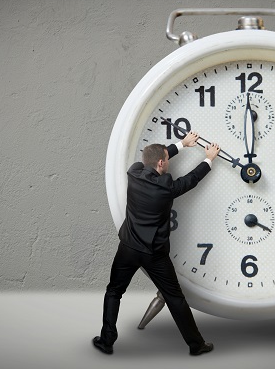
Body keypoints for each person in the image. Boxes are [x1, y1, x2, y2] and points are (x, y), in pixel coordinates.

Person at [93, 131, 220, 356]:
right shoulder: (166, 187)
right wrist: (208, 158)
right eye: (167, 160)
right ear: (161, 163)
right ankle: (196, 345)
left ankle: (106, 340)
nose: (169, 163)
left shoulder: (133, 173)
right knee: (175, 299)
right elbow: (190, 180)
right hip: (154, 254)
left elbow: (154, 160)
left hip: (128, 248)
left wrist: (181, 145)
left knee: (114, 291)